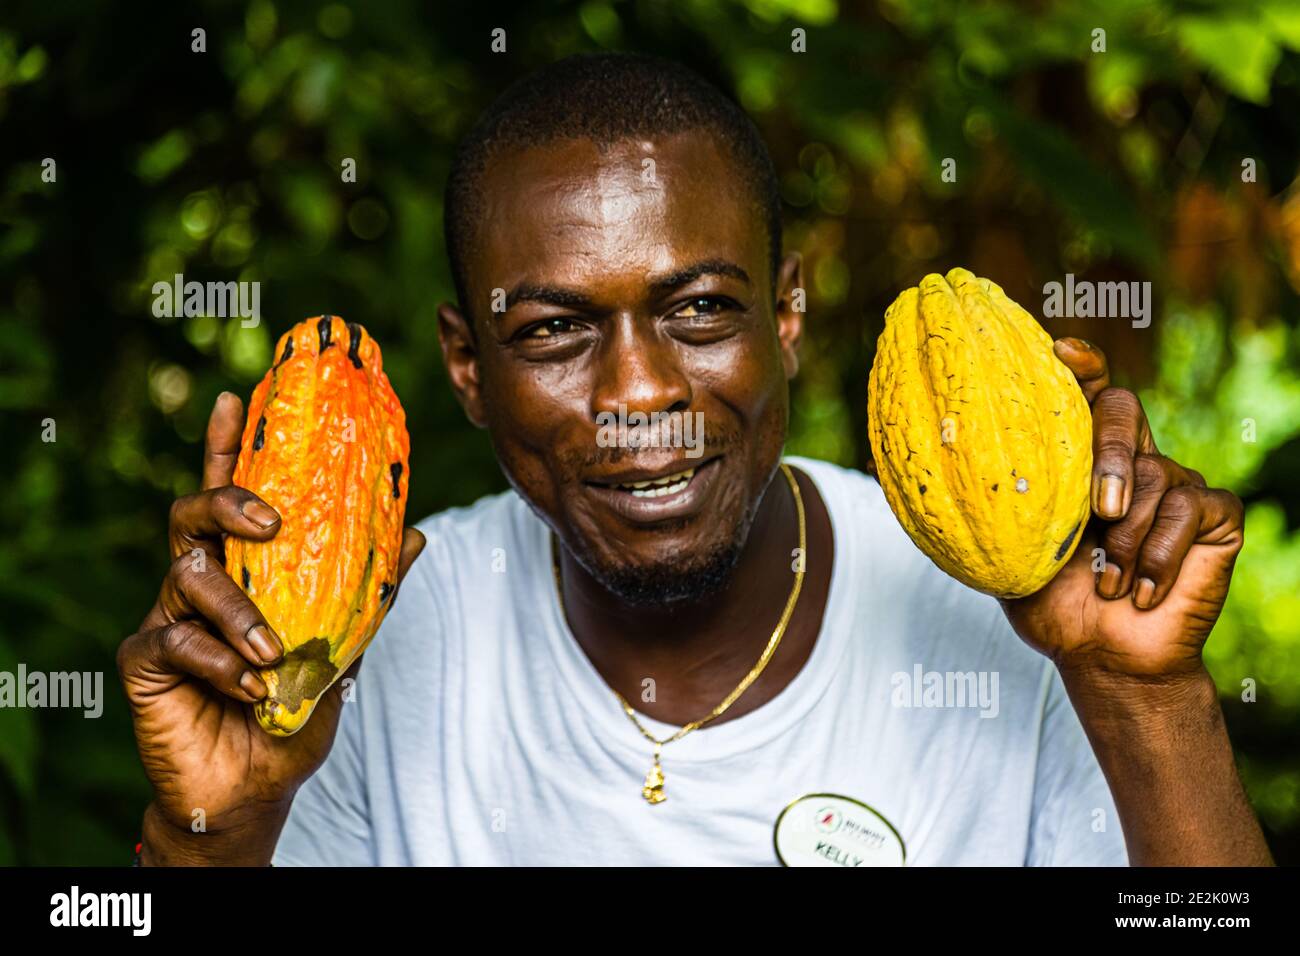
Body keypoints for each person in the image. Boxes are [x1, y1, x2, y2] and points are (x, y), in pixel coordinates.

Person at [118, 52, 1272, 866]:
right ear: (468, 365)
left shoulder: (1002, 616)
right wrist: (207, 831)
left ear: (787, 311)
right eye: (554, 329)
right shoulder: (359, 649)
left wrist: (1140, 694)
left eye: (702, 307)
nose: (640, 391)